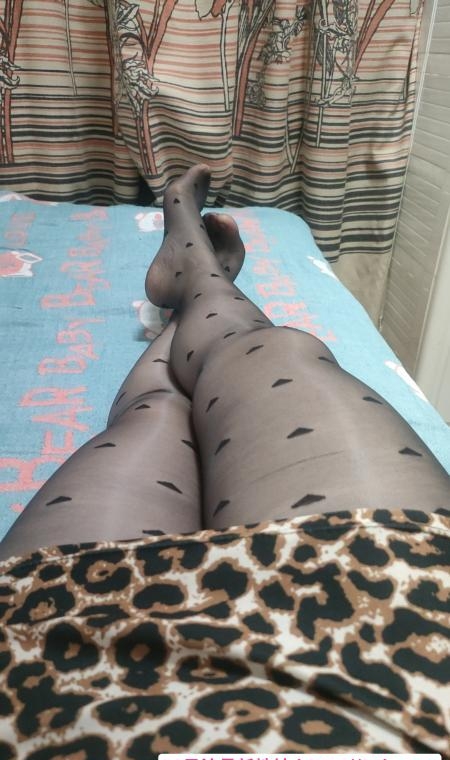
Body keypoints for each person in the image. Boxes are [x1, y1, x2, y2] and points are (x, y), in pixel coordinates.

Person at [0, 165, 449, 757]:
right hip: (388, 634)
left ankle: (197, 283)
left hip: (61, 663)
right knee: (264, 353)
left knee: (166, 408)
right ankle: (199, 285)